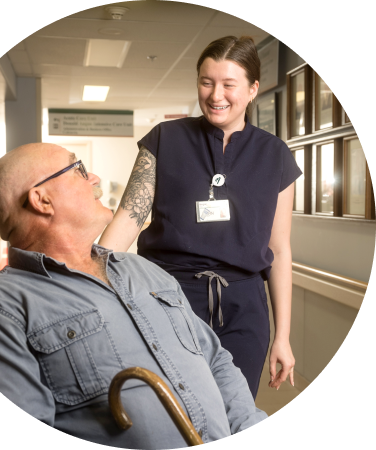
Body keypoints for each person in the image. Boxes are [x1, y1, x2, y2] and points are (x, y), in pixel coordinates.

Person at [0, 143, 268, 448]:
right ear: (41, 200)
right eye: (78, 169)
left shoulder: (142, 270)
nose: (94, 178)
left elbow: (215, 359)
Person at [99, 36, 302, 399]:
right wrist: (89, 287)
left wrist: (282, 337)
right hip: (167, 297)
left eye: (228, 84)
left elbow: (279, 250)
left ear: (253, 89)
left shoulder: (276, 155)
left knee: (232, 413)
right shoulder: (164, 138)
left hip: (244, 308)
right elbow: (128, 218)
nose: (215, 95)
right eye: (206, 82)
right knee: (169, 409)